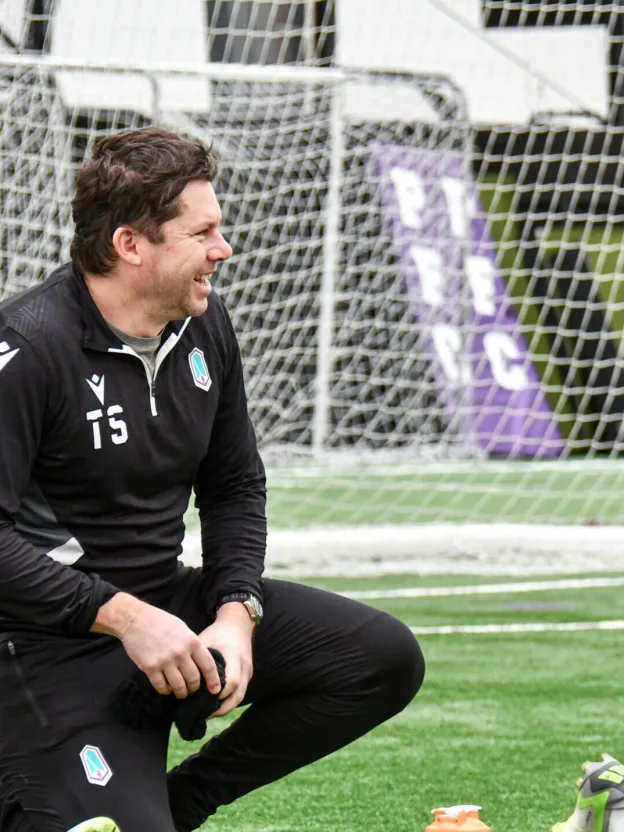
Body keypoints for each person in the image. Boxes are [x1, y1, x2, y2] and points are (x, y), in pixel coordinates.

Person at [0, 127, 425, 832]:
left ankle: (177, 806)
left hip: (167, 611)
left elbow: (234, 485)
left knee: (379, 658)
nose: (222, 251)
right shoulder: (29, 348)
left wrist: (235, 615)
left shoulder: (202, 323)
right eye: (203, 233)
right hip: (45, 644)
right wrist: (127, 620)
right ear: (130, 244)